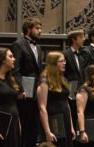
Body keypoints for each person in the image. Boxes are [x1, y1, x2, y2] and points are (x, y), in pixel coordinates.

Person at [11, 17, 43, 146]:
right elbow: (15, 70)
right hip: (24, 92)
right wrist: (20, 89)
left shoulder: (39, 47)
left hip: (36, 91)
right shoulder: (18, 44)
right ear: (28, 29)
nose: (40, 31)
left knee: (34, 125)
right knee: (25, 124)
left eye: (40, 28)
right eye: (37, 28)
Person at [37, 51, 75, 146]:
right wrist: (47, 131)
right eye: (61, 61)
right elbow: (42, 108)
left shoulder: (62, 79)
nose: (64, 63)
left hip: (64, 118)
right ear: (53, 63)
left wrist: (71, 126)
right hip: (53, 120)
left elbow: (66, 103)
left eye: (64, 61)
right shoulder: (44, 81)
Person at [0, 48, 22, 147]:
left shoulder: (10, 79)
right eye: (11, 56)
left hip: (14, 121)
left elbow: (13, 102)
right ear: (3, 60)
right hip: (2, 123)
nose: (14, 59)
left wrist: (18, 122)